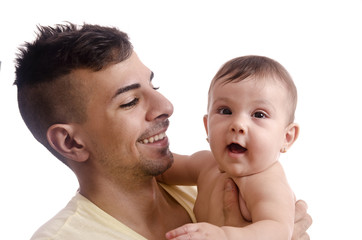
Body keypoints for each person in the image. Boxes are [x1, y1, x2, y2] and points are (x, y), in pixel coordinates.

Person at [14, 22, 311, 240]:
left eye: (153, 86)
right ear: (70, 142)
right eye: (130, 101)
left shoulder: (212, 181)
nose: (166, 106)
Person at [159, 56, 304, 239]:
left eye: (259, 114)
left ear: (287, 137)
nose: (238, 124)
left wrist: (224, 236)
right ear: (207, 127)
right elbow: (161, 169)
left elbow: (278, 231)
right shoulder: (205, 164)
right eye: (225, 111)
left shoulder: (267, 182)